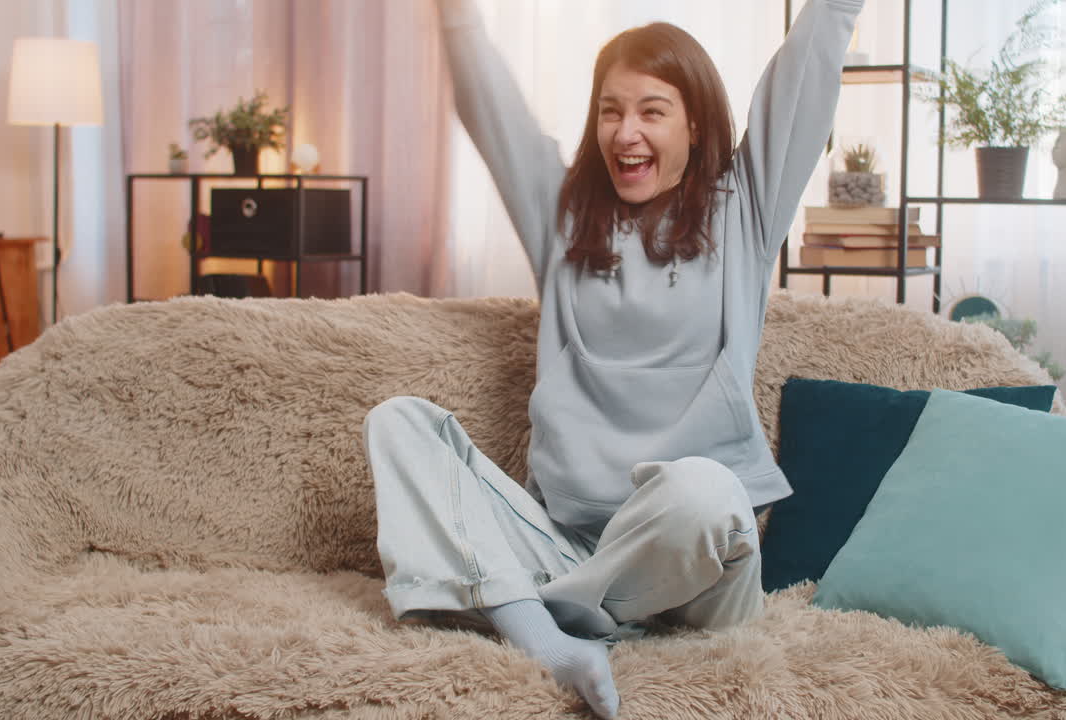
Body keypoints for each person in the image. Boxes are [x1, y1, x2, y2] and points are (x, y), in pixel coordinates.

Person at [363, 1, 860, 716]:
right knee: (400, 423)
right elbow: (489, 101)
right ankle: (549, 634)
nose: (625, 133)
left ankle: (516, 603)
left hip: (696, 566)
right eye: (610, 111)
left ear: (695, 124)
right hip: (568, 544)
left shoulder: (743, 210)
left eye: (652, 111)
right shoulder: (562, 214)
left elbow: (805, 74)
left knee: (708, 493)